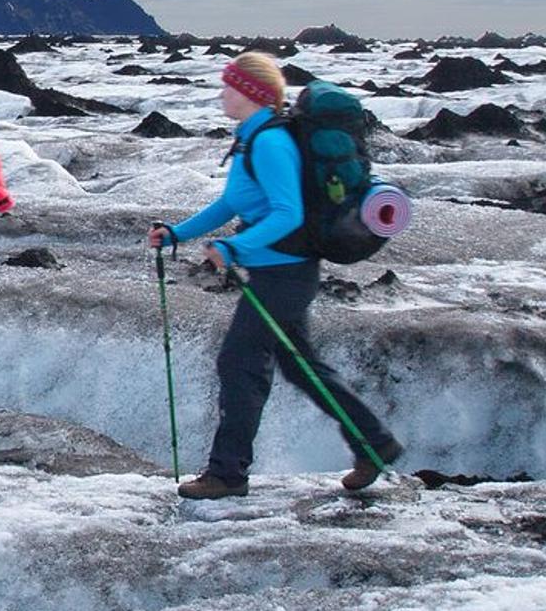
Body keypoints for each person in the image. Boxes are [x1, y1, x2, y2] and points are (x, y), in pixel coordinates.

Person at [150, 51, 405, 502]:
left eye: (228, 86)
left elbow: (289, 213)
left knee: (241, 364)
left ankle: (228, 474)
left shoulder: (269, 143)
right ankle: (374, 443)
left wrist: (233, 248)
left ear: (250, 93)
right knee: (303, 367)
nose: (221, 94)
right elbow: (232, 203)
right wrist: (177, 233)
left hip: (284, 275)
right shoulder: (253, 139)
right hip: (278, 272)